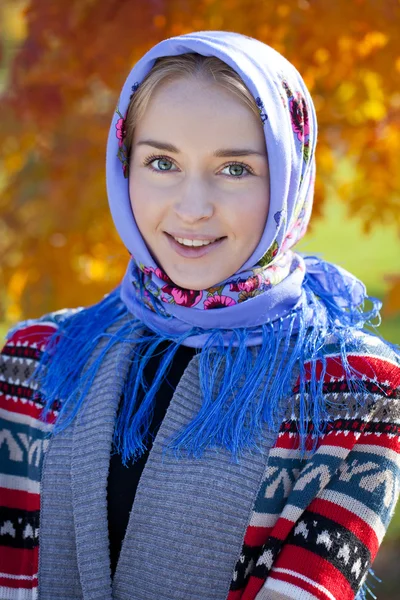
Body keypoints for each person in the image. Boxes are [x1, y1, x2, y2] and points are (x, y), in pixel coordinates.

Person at [1, 30, 399, 600]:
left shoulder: (351, 391)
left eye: (235, 169)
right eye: (161, 161)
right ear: (123, 166)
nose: (192, 208)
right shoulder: (35, 362)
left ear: (290, 175)